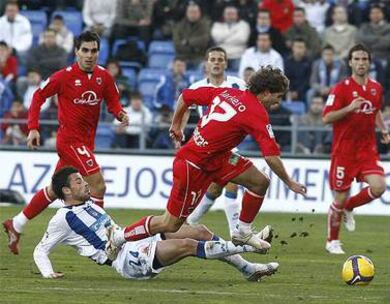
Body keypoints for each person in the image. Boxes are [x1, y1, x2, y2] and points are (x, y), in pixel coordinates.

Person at [114, 66, 307, 252]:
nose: (278, 102)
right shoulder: (256, 113)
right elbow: (271, 156)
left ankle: (242, 232)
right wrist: (289, 182)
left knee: (260, 182)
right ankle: (119, 237)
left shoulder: (228, 92)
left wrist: (176, 125)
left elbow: (186, 96)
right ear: (265, 92)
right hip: (193, 164)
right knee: (170, 224)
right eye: (278, 97)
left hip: (217, 157)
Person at [2, 31, 129, 255]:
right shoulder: (63, 76)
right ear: (76, 51)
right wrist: (33, 127)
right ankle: (101, 240)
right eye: (85, 50)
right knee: (98, 186)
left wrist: (120, 113)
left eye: (94, 51)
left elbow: (113, 101)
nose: (90, 55)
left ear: (99, 52)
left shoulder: (104, 77)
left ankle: (17, 224)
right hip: (70, 141)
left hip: (86, 144)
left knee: (55, 189)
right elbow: (38, 96)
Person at [34, 167, 279, 282]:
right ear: (66, 190)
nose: (86, 183)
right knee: (187, 244)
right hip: (126, 261)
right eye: (78, 181)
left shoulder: (89, 204)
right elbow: (40, 250)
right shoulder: (62, 219)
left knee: (200, 231)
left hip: (134, 243)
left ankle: (248, 269)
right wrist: (47, 273)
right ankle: (250, 246)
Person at [323, 44, 390, 254]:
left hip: (367, 150)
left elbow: (375, 110)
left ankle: (349, 207)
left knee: (379, 187)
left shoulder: (376, 88)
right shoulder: (341, 88)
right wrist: (349, 107)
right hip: (344, 152)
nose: (361, 63)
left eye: (364, 59)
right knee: (339, 197)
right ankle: (332, 241)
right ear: (350, 62)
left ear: (369, 63)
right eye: (357, 59)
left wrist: (384, 128)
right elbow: (326, 117)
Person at [185, 47, 247, 236]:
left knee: (228, 182)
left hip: (229, 142)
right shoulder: (196, 87)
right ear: (206, 63)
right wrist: (179, 129)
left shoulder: (238, 85)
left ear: (226, 63)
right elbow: (184, 107)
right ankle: (190, 221)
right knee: (214, 188)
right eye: (213, 59)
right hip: (206, 144)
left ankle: (234, 231)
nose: (217, 62)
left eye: (221, 59)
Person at [211, 5, 251, 70]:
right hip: (221, 56)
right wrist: (233, 33)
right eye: (228, 14)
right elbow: (216, 38)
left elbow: (242, 39)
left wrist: (223, 40)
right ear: (223, 15)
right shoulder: (217, 25)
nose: (230, 16)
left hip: (238, 55)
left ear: (237, 15)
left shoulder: (244, 25)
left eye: (232, 14)